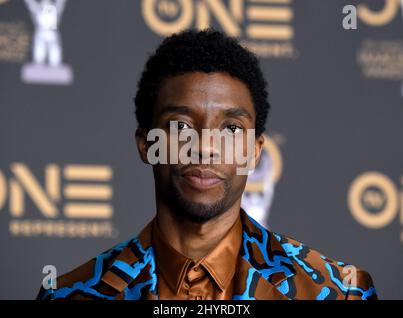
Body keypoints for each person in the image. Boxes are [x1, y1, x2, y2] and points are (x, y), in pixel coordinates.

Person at [37, 28, 377, 300]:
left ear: (255, 152)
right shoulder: (71, 295)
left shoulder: (337, 292)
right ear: (145, 143)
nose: (205, 148)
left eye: (231, 128)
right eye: (181, 126)